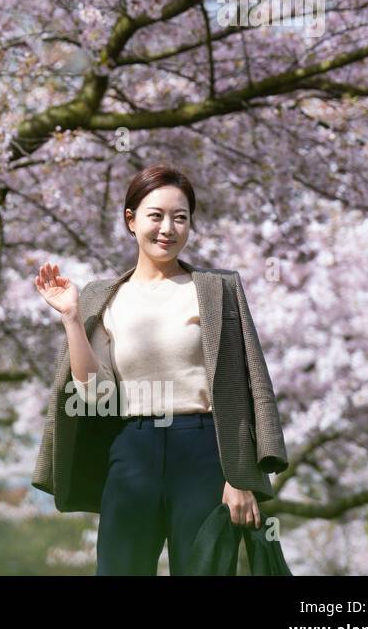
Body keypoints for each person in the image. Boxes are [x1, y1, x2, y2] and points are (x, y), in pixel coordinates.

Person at [30, 164, 288, 575]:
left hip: (205, 453)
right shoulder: (105, 296)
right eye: (156, 215)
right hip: (132, 450)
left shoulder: (217, 289)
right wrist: (73, 319)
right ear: (131, 220)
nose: (168, 228)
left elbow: (250, 384)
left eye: (180, 217)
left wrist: (243, 477)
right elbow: (96, 395)